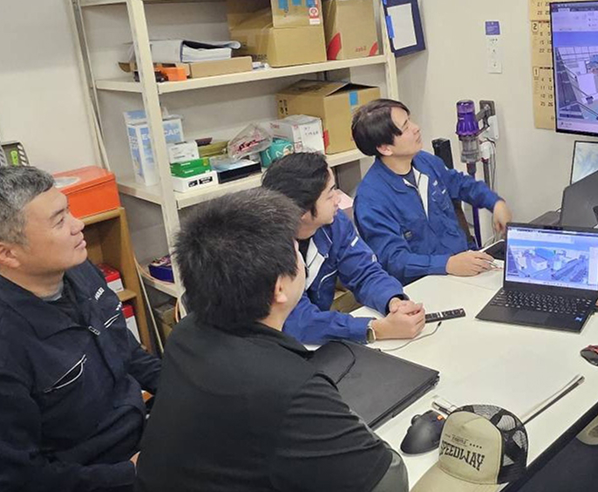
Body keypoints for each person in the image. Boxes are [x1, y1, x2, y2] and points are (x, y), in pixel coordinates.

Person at [135, 188, 408, 492]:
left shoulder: (184, 336)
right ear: (279, 289)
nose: (301, 259)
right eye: (296, 251)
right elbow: (389, 480)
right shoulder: (290, 388)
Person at [0, 166, 161, 492]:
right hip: (91, 476)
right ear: (8, 253)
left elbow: (129, 353)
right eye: (60, 221)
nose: (79, 225)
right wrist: (129, 474)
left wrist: (189, 390)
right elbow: (21, 478)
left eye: (69, 211)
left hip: (140, 435)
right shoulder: (9, 343)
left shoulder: (79, 271)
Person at [261, 152, 425, 344]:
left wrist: (393, 302)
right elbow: (296, 320)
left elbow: (364, 272)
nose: (338, 199)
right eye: (330, 194)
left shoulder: (333, 223)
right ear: (302, 211)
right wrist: (373, 329)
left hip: (318, 342)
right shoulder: (264, 247)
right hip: (272, 346)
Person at [352, 98, 512, 285]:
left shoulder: (425, 162)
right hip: (424, 284)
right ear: (385, 148)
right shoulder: (371, 200)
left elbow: (461, 184)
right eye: (405, 127)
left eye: (410, 120)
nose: (416, 128)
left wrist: (495, 203)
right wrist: (447, 264)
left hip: (463, 266)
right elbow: (395, 260)